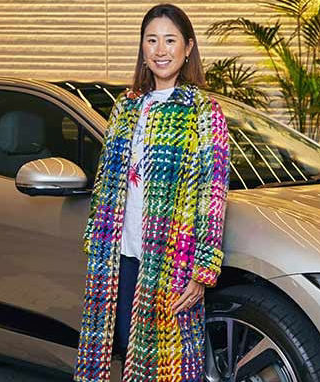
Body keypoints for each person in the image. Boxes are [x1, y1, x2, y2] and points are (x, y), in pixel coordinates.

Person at [74, 4, 230, 381]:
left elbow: (213, 193)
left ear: (188, 47)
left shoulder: (203, 110)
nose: (161, 50)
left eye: (170, 40)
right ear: (143, 48)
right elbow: (105, 180)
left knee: (171, 365)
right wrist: (97, 241)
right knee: (128, 353)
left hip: (172, 260)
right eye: (152, 40)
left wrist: (202, 271)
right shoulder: (126, 107)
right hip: (121, 254)